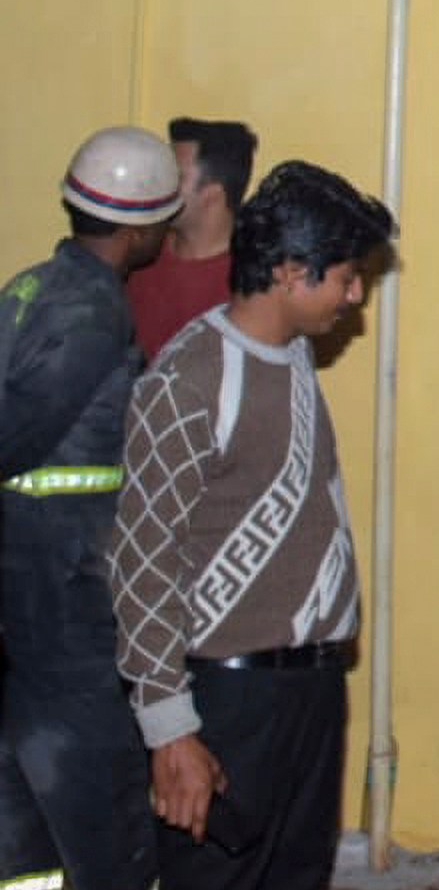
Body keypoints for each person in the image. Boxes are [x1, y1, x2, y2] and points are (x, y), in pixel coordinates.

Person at [110, 160, 398, 890]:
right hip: (228, 703)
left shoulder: (294, 353)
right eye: (346, 276)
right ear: (292, 273)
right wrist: (171, 730)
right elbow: (141, 562)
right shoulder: (189, 381)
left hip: (312, 692)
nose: (356, 294)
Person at [0, 126, 181, 890]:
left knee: (26, 809)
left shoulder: (29, 287)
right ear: (140, 230)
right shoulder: (93, 315)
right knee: (101, 802)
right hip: (68, 596)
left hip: (26, 587)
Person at [129, 117, 259, 361]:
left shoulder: (250, 285)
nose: (158, 184)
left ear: (212, 194)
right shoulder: (137, 248)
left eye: (174, 176)